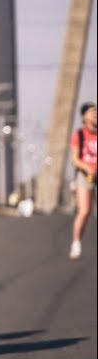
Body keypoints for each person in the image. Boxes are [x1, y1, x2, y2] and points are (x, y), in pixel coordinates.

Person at [70, 102, 97, 259]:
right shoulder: (79, 135)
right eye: (92, 111)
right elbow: (74, 159)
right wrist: (87, 168)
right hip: (85, 175)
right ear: (84, 116)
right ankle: (76, 242)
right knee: (85, 211)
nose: (95, 114)